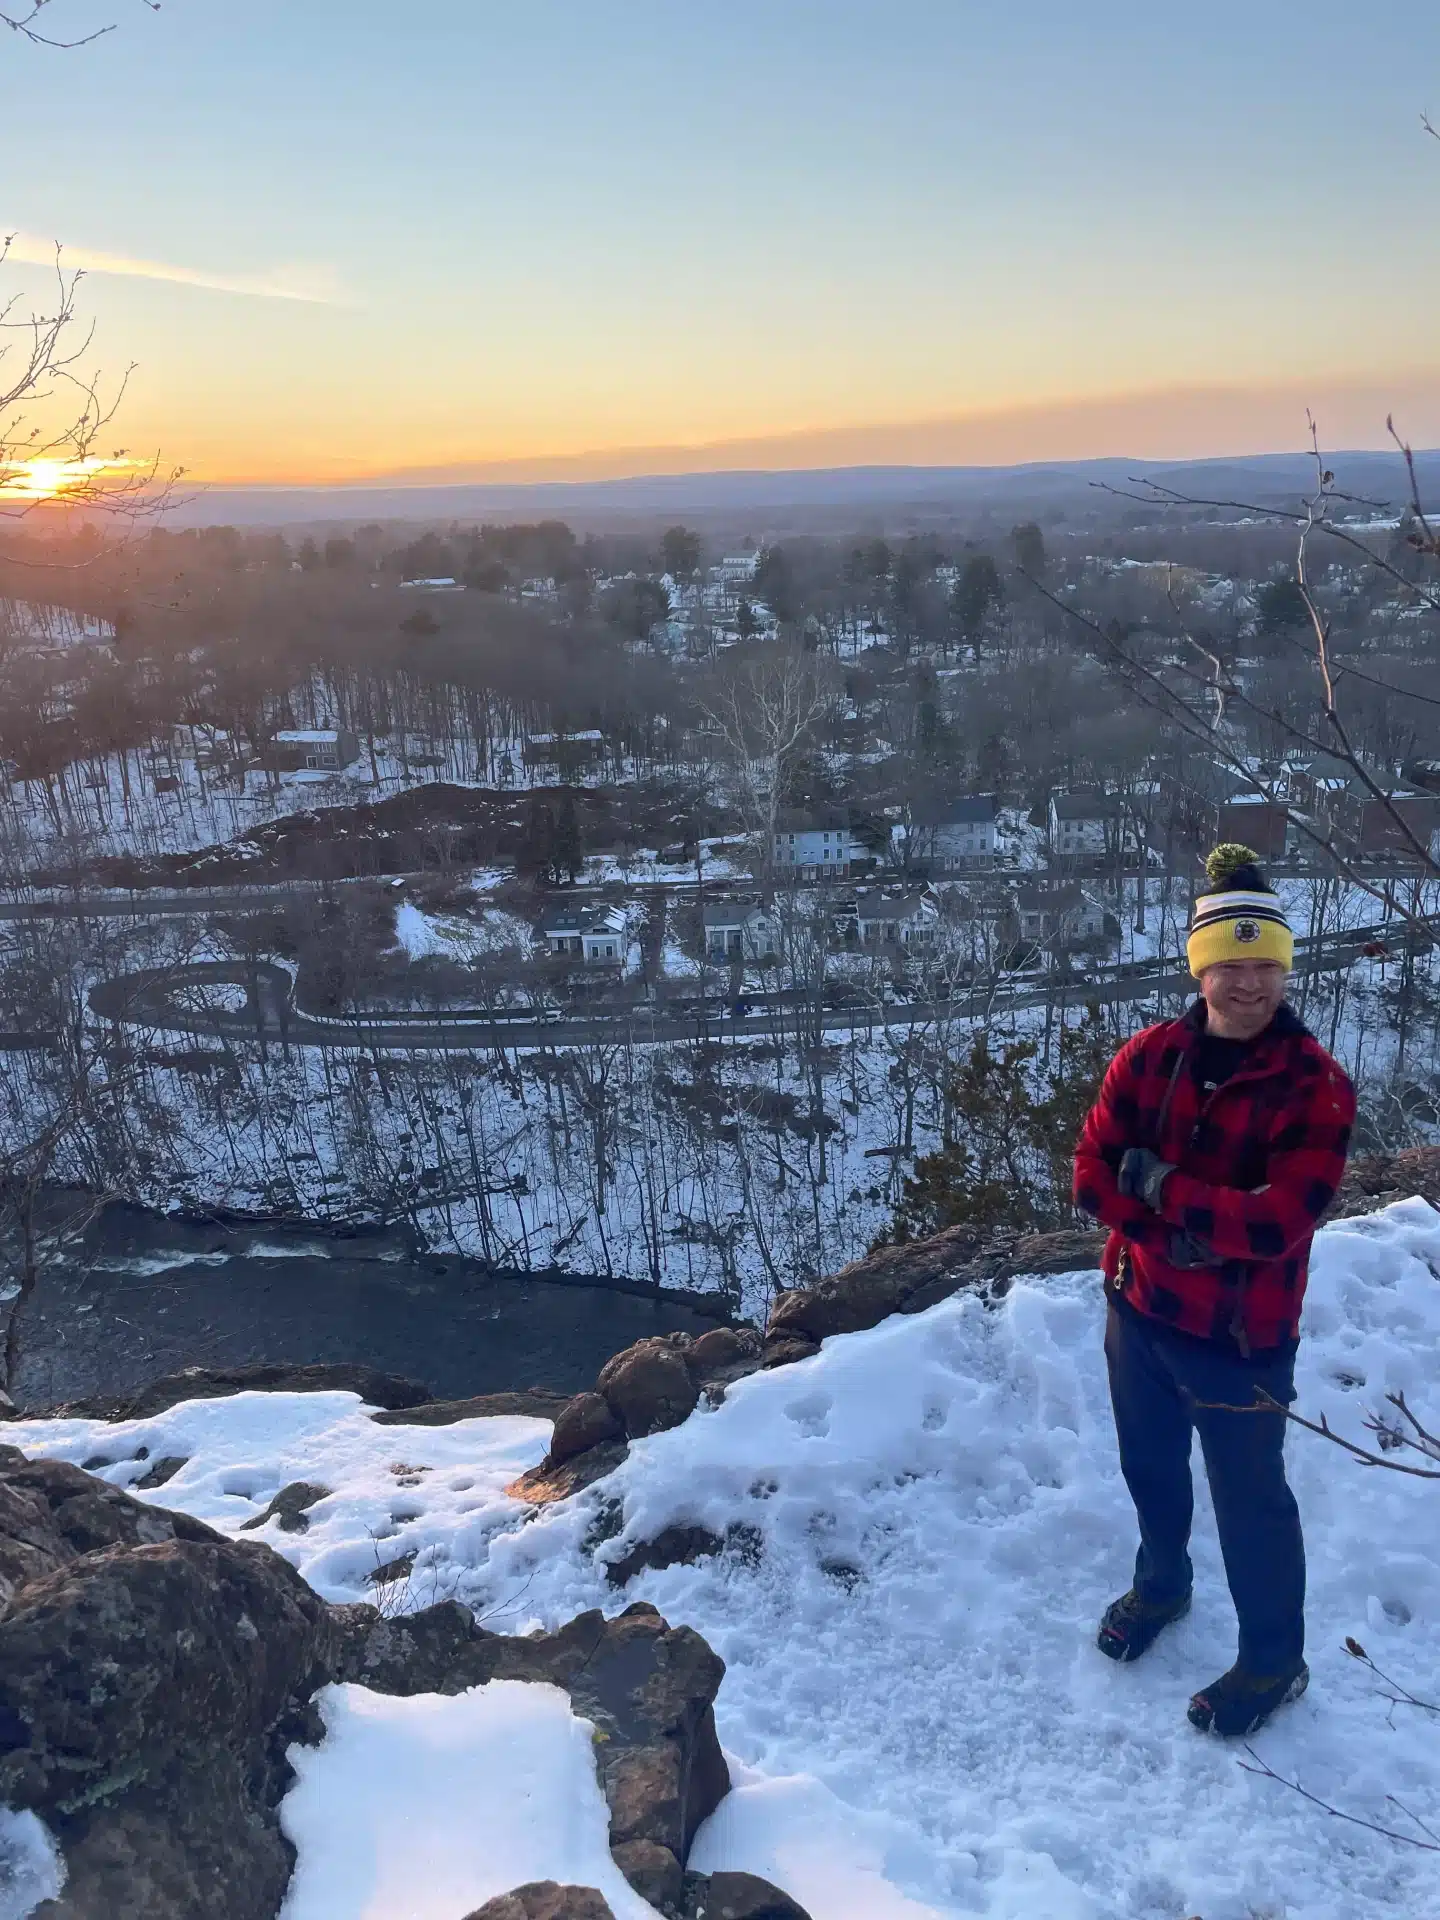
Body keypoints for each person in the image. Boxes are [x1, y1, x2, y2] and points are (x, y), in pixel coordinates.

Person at [1073, 844, 1356, 1737]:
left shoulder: (1314, 1085)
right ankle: (1163, 1586)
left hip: (1242, 1342)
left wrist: (1157, 1189)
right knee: (1150, 1468)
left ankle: (1275, 1661)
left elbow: (1278, 1225)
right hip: (1139, 1313)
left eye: (1265, 963)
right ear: (1200, 969)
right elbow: (1089, 1175)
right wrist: (1185, 1230)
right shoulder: (1147, 1058)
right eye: (1229, 963)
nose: (1248, 983)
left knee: (1252, 1503)